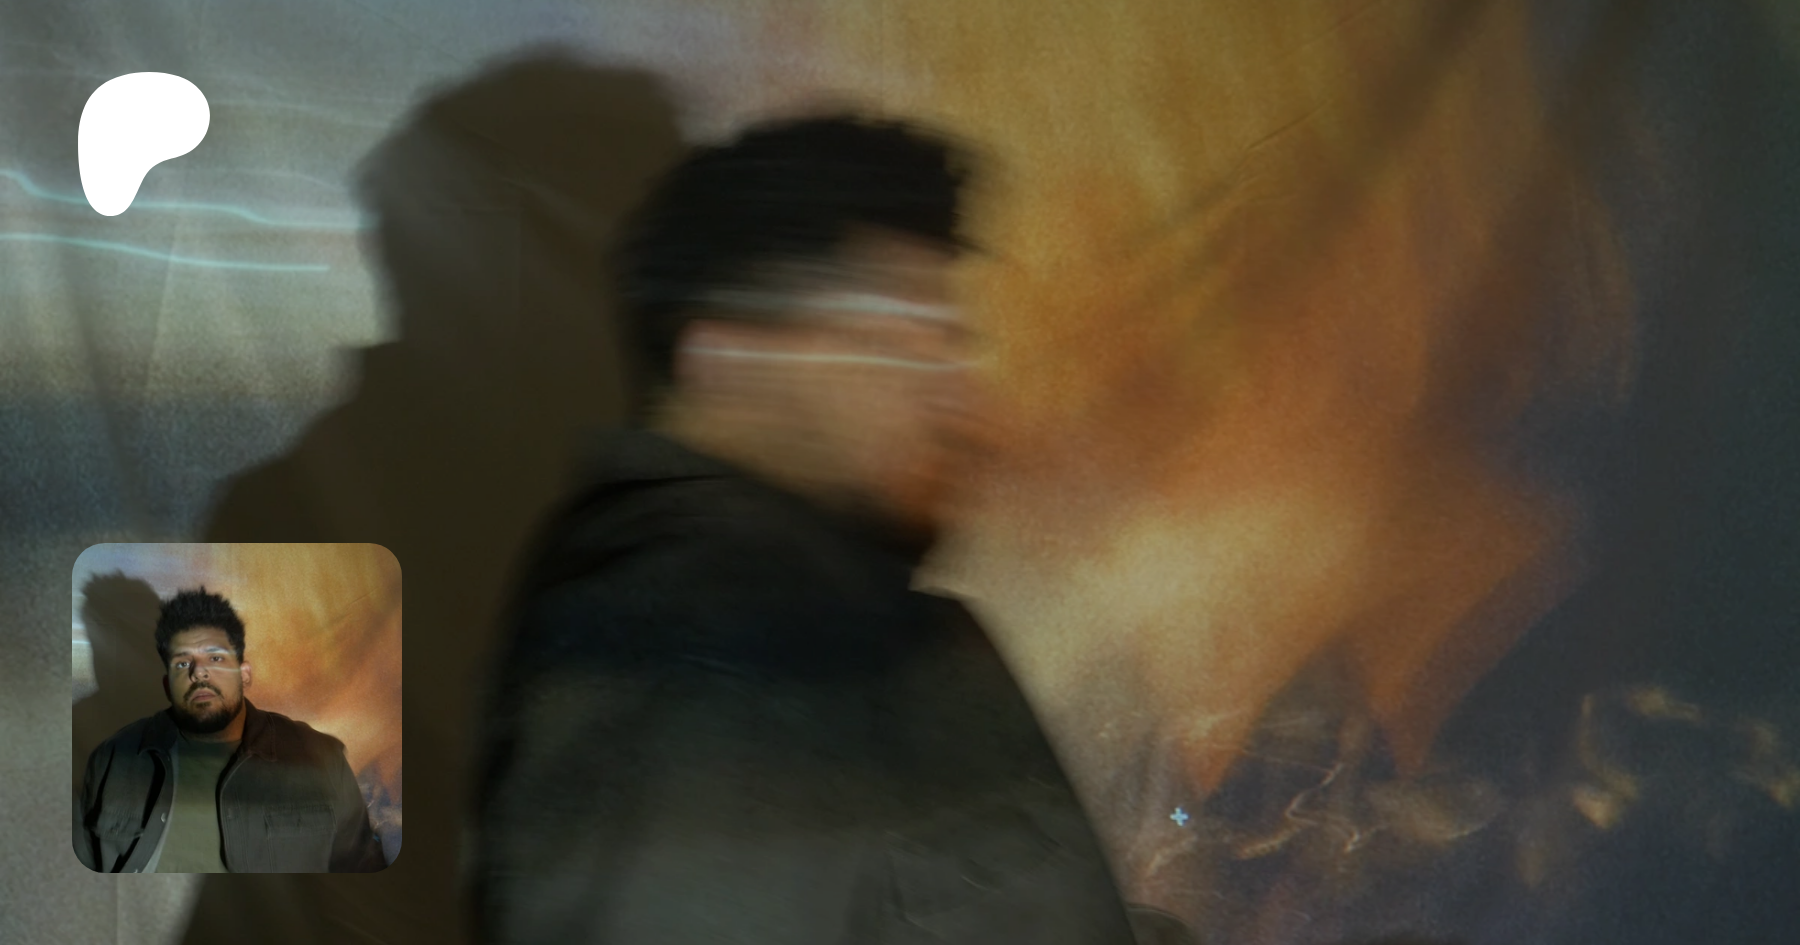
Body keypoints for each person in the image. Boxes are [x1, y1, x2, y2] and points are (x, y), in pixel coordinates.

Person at [471, 115, 1149, 944]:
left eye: (950, 343)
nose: (958, 399)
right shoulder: (709, 629)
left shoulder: (813, 616)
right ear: (721, 358)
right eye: (895, 340)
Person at [74, 588, 386, 873]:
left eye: (215, 657)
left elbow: (364, 873)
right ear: (168, 686)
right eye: (182, 663)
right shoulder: (110, 760)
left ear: (244, 674)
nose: (200, 673)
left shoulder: (321, 758)